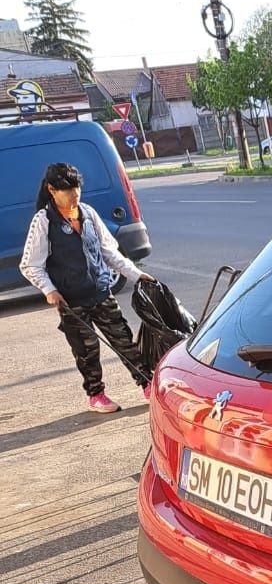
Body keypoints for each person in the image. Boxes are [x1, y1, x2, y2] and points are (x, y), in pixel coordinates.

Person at [19, 160, 156, 414]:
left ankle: (147, 383)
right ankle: (96, 395)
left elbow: (110, 252)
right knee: (87, 350)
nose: (74, 195)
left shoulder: (88, 214)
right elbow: (30, 265)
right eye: (67, 191)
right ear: (52, 190)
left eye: (77, 189)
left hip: (101, 292)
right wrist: (49, 289)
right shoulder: (43, 221)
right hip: (71, 301)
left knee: (124, 340)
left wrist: (136, 275)